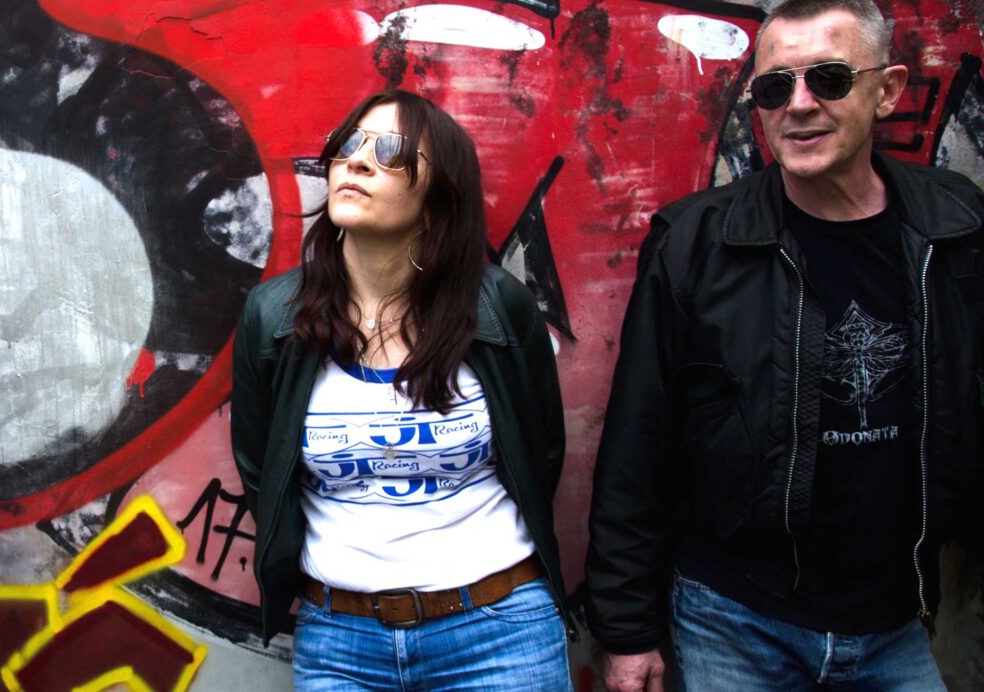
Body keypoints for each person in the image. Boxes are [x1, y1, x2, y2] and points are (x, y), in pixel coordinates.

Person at [585, 0, 983, 690]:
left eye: (829, 79)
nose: (798, 105)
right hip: (735, 619)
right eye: (775, 87)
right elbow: (637, 443)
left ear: (886, 90)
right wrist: (626, 630)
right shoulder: (696, 243)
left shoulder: (956, 226)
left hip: (897, 619)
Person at [231, 89, 573, 690]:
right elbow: (262, 470)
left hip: (498, 631)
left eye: (389, 150)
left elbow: (539, 452)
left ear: (438, 199)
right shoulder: (274, 317)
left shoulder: (498, 308)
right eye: (348, 145)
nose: (356, 162)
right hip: (340, 643)